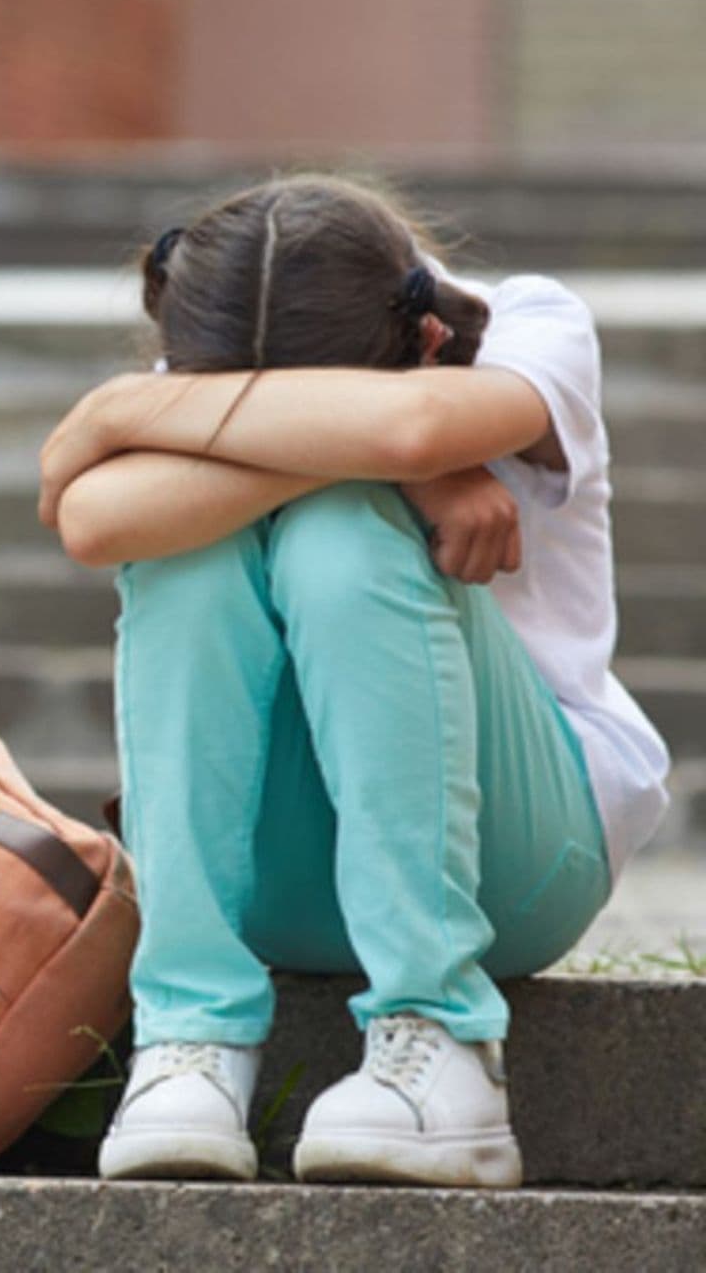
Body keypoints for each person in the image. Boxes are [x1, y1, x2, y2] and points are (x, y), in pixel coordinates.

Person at [39, 175, 669, 1188]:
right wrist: (383, 456)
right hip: (282, 881)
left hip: (515, 862)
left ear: (421, 345)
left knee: (339, 530)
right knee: (180, 553)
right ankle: (187, 1041)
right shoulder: (228, 346)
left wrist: (131, 411)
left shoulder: (528, 325)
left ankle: (440, 1039)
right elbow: (92, 521)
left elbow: (414, 431)